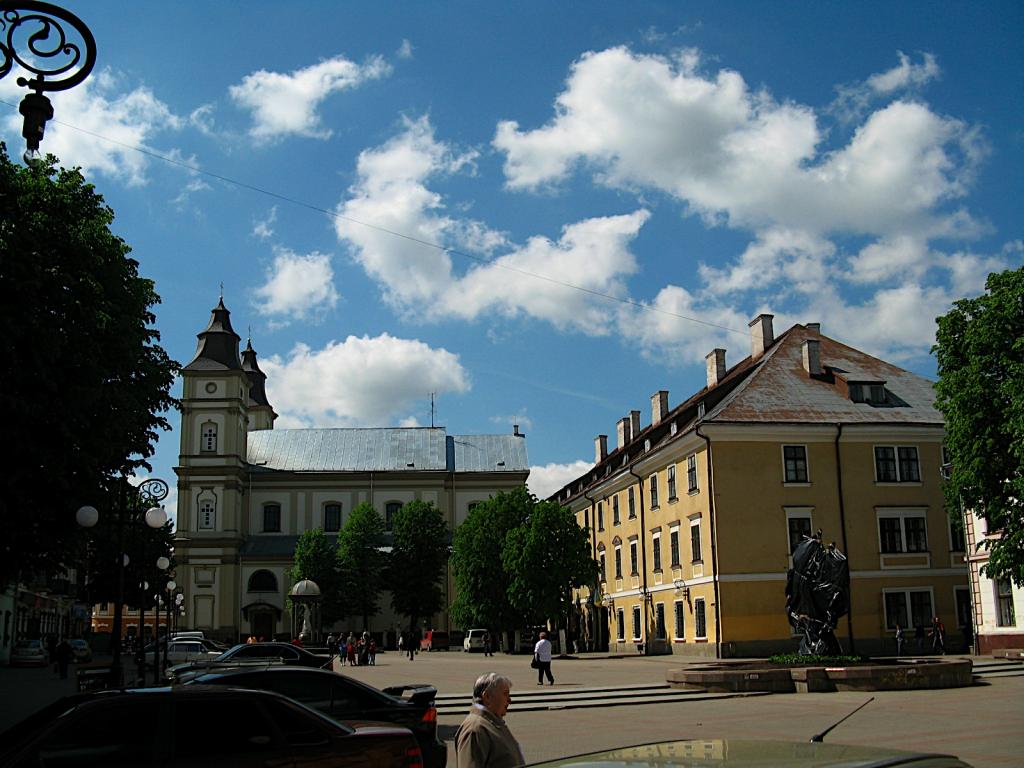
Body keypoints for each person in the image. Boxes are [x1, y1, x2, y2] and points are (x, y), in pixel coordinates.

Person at [455, 672, 525, 768]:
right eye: (505, 694)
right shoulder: (475, 729)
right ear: (487, 697)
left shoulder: (493, 724)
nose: (509, 700)